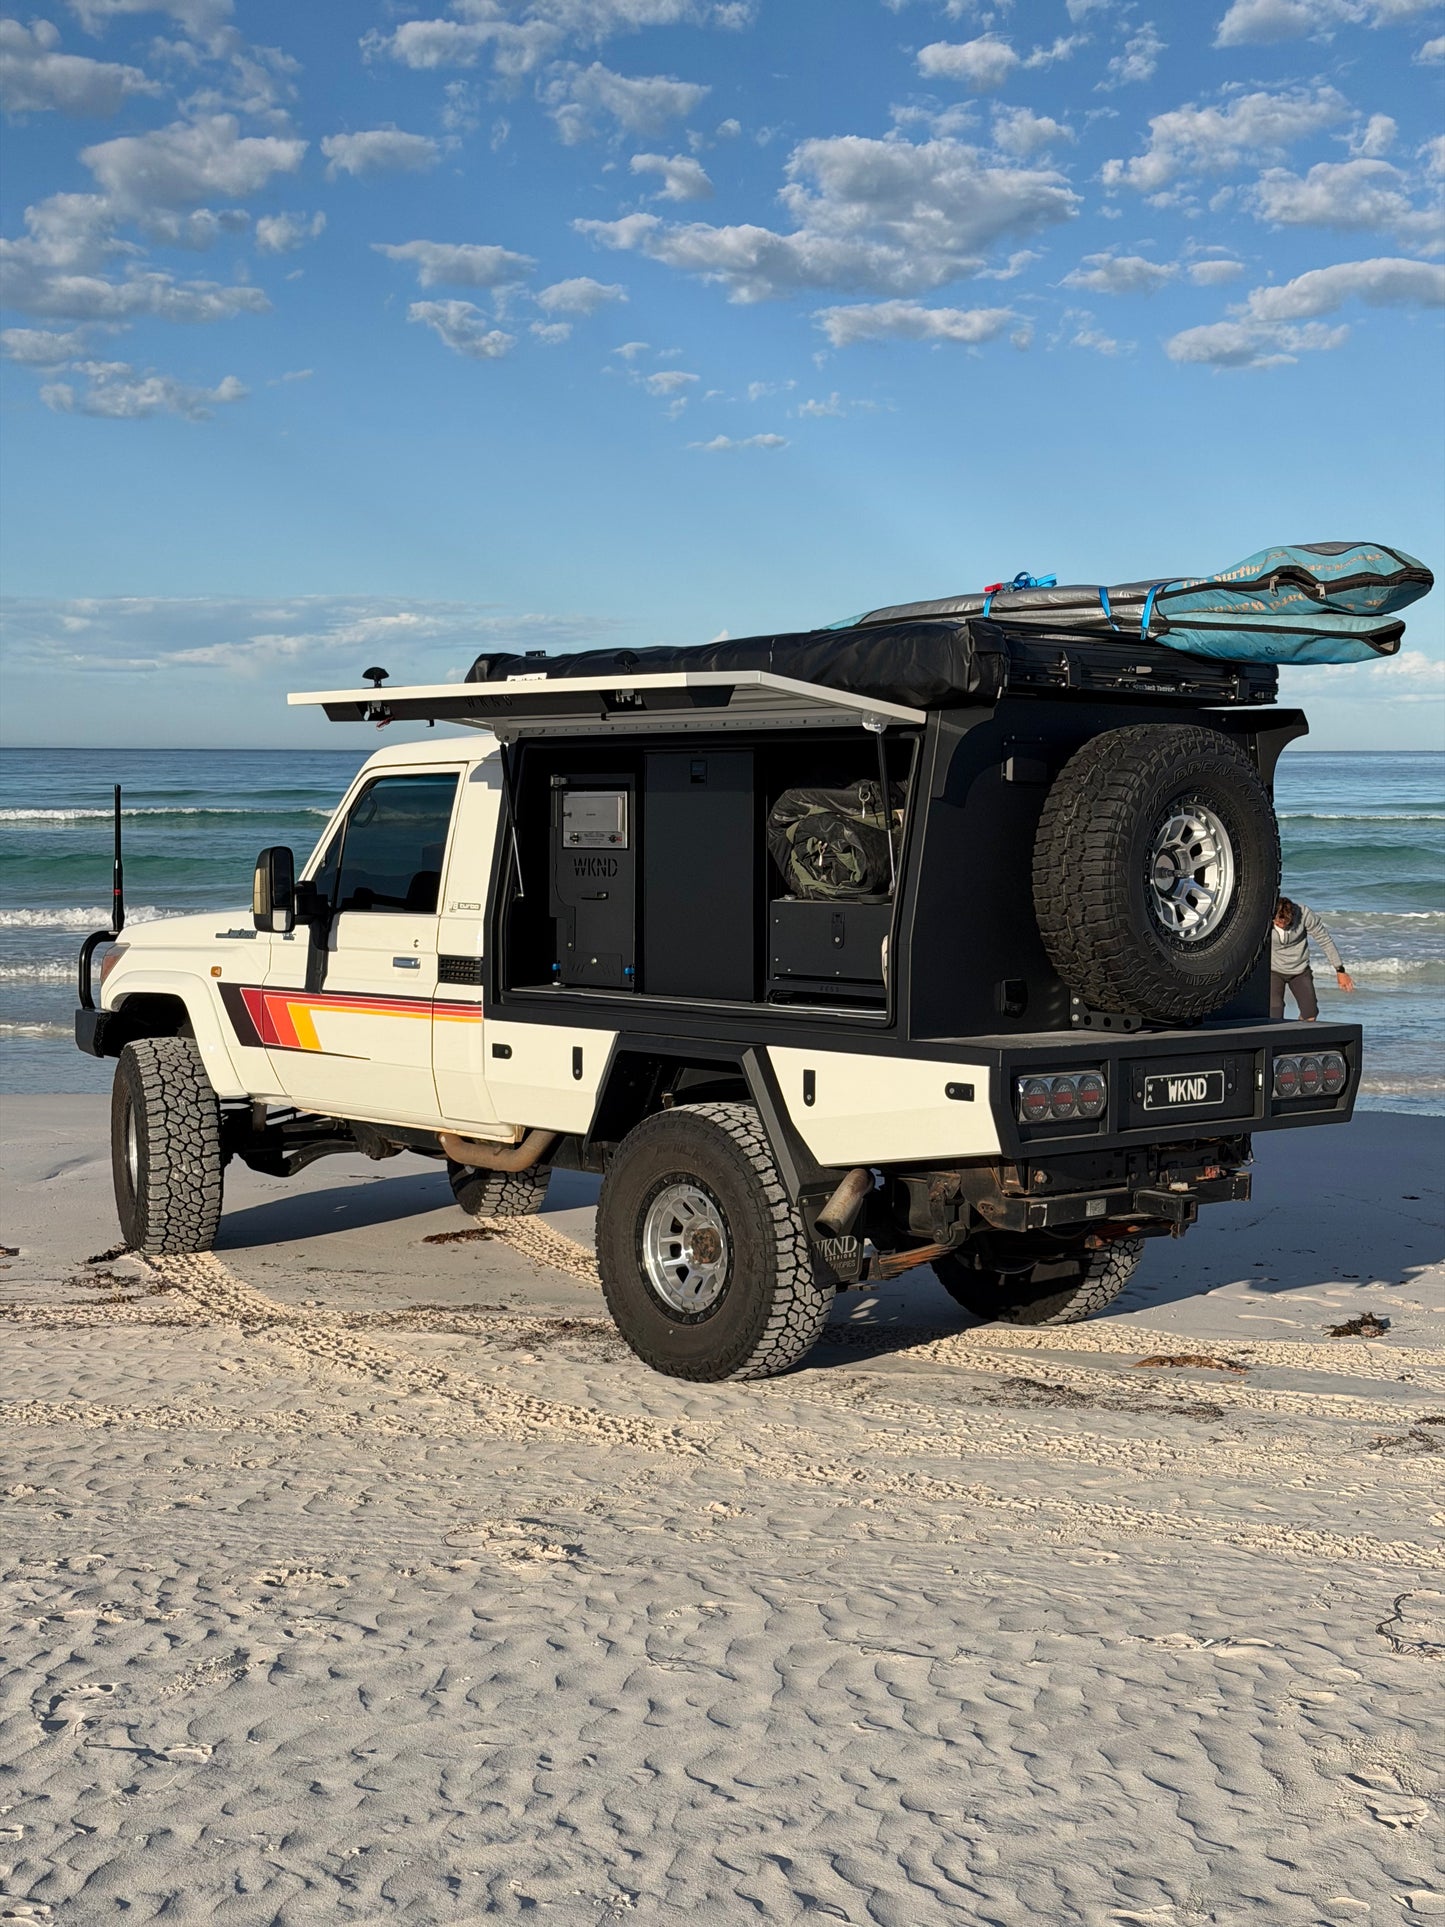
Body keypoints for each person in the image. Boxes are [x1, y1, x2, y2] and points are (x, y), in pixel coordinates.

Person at [1270, 896, 1355, 1020]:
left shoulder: (1304, 914)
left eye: (1286, 923)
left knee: (1310, 1015)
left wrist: (1340, 969)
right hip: (1273, 970)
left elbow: (1324, 940)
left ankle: (1298, 1032)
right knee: (1274, 1016)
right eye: (1278, 923)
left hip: (1299, 969)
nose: (1281, 926)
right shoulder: (1265, 917)